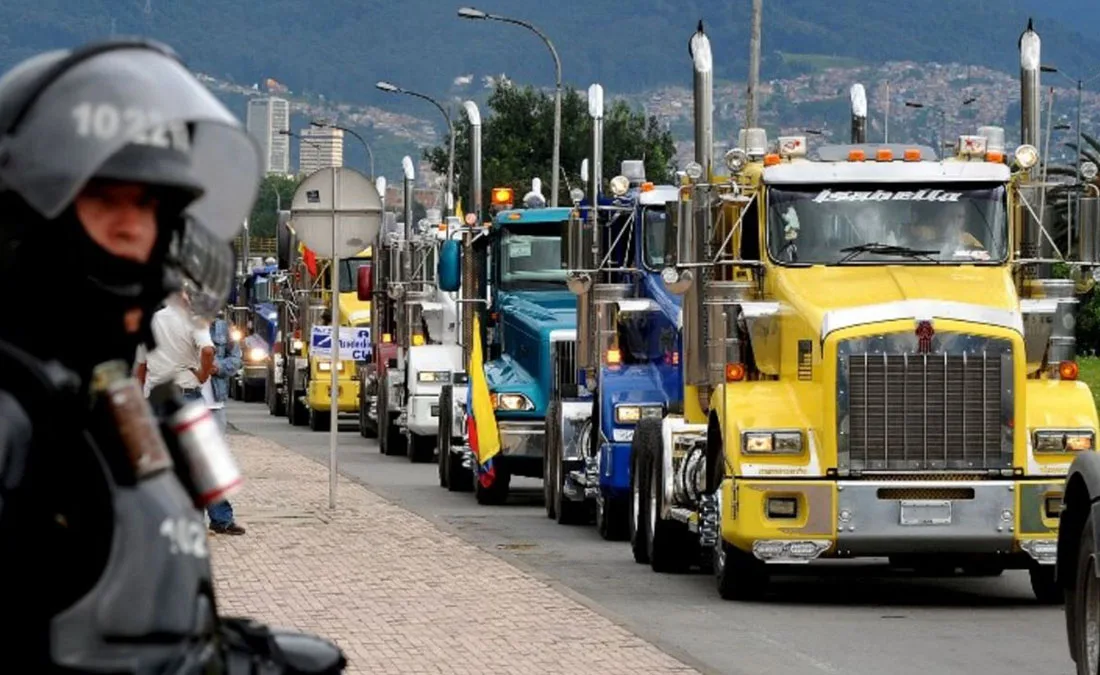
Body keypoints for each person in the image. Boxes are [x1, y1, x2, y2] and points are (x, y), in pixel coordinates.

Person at [0, 38, 345, 672]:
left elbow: (139, 602)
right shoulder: (14, 413)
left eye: (149, 206)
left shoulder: (107, 401)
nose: (135, 229)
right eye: (106, 201)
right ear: (31, 210)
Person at [204, 310, 246, 535]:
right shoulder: (177, 326)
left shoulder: (221, 329)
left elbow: (237, 359)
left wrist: (217, 367)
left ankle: (220, 518)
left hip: (214, 405)